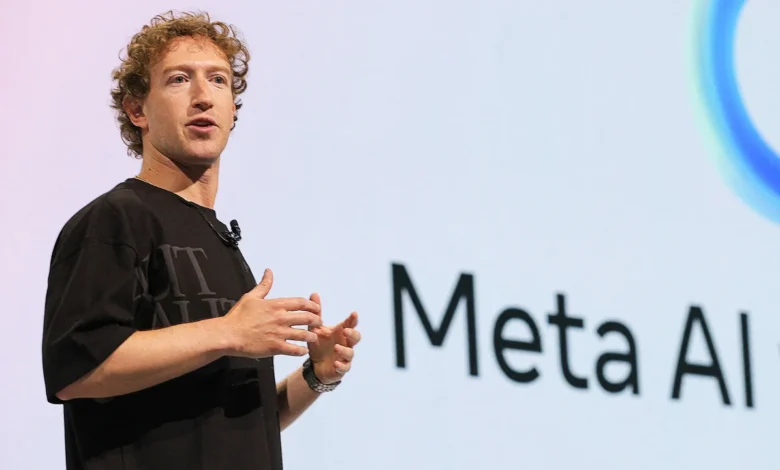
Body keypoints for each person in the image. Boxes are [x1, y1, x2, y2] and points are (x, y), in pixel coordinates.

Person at [40, 10, 361, 470]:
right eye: (178, 79)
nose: (203, 97)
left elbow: (239, 425)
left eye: (217, 80)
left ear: (233, 111)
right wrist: (227, 333)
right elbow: (77, 370)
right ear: (137, 110)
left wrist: (316, 376)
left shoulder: (218, 239)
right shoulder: (115, 219)